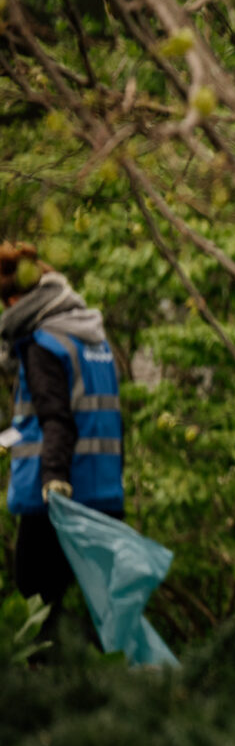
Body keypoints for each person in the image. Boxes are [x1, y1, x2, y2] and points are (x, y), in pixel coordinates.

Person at [1, 244, 123, 641]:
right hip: (104, 494)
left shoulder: (44, 343)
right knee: (106, 622)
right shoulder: (93, 340)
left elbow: (56, 419)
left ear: (16, 301)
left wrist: (54, 480)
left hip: (55, 502)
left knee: (35, 613)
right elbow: (95, 415)